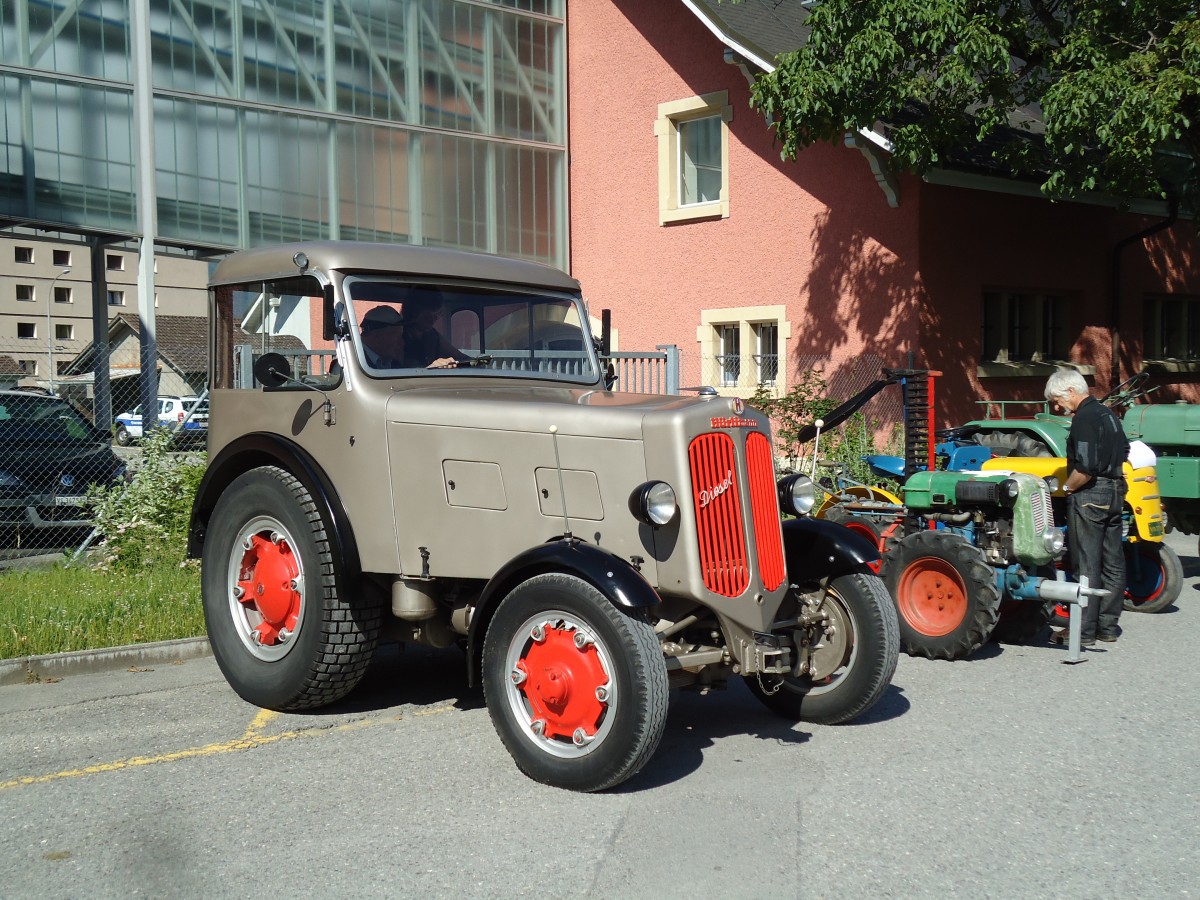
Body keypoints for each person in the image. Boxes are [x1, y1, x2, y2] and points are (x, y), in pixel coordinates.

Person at [1044, 367, 1130, 646]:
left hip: (1090, 494)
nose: (1058, 407)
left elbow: (1086, 467)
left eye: (1057, 400)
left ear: (1071, 391)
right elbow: (1126, 450)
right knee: (1113, 561)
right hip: (1116, 489)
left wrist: (1067, 488)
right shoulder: (1109, 414)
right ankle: (1108, 626)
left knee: (1086, 562)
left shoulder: (1083, 418)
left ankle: (1083, 631)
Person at [401, 294, 467, 368]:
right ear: (412, 314)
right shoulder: (398, 335)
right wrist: (430, 368)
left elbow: (461, 357)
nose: (432, 322)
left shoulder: (432, 336)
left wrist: (475, 362)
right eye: (426, 317)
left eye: (436, 316)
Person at [359, 305, 408, 369]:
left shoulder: (393, 363)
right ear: (376, 337)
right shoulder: (354, 362)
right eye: (396, 336)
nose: (402, 343)